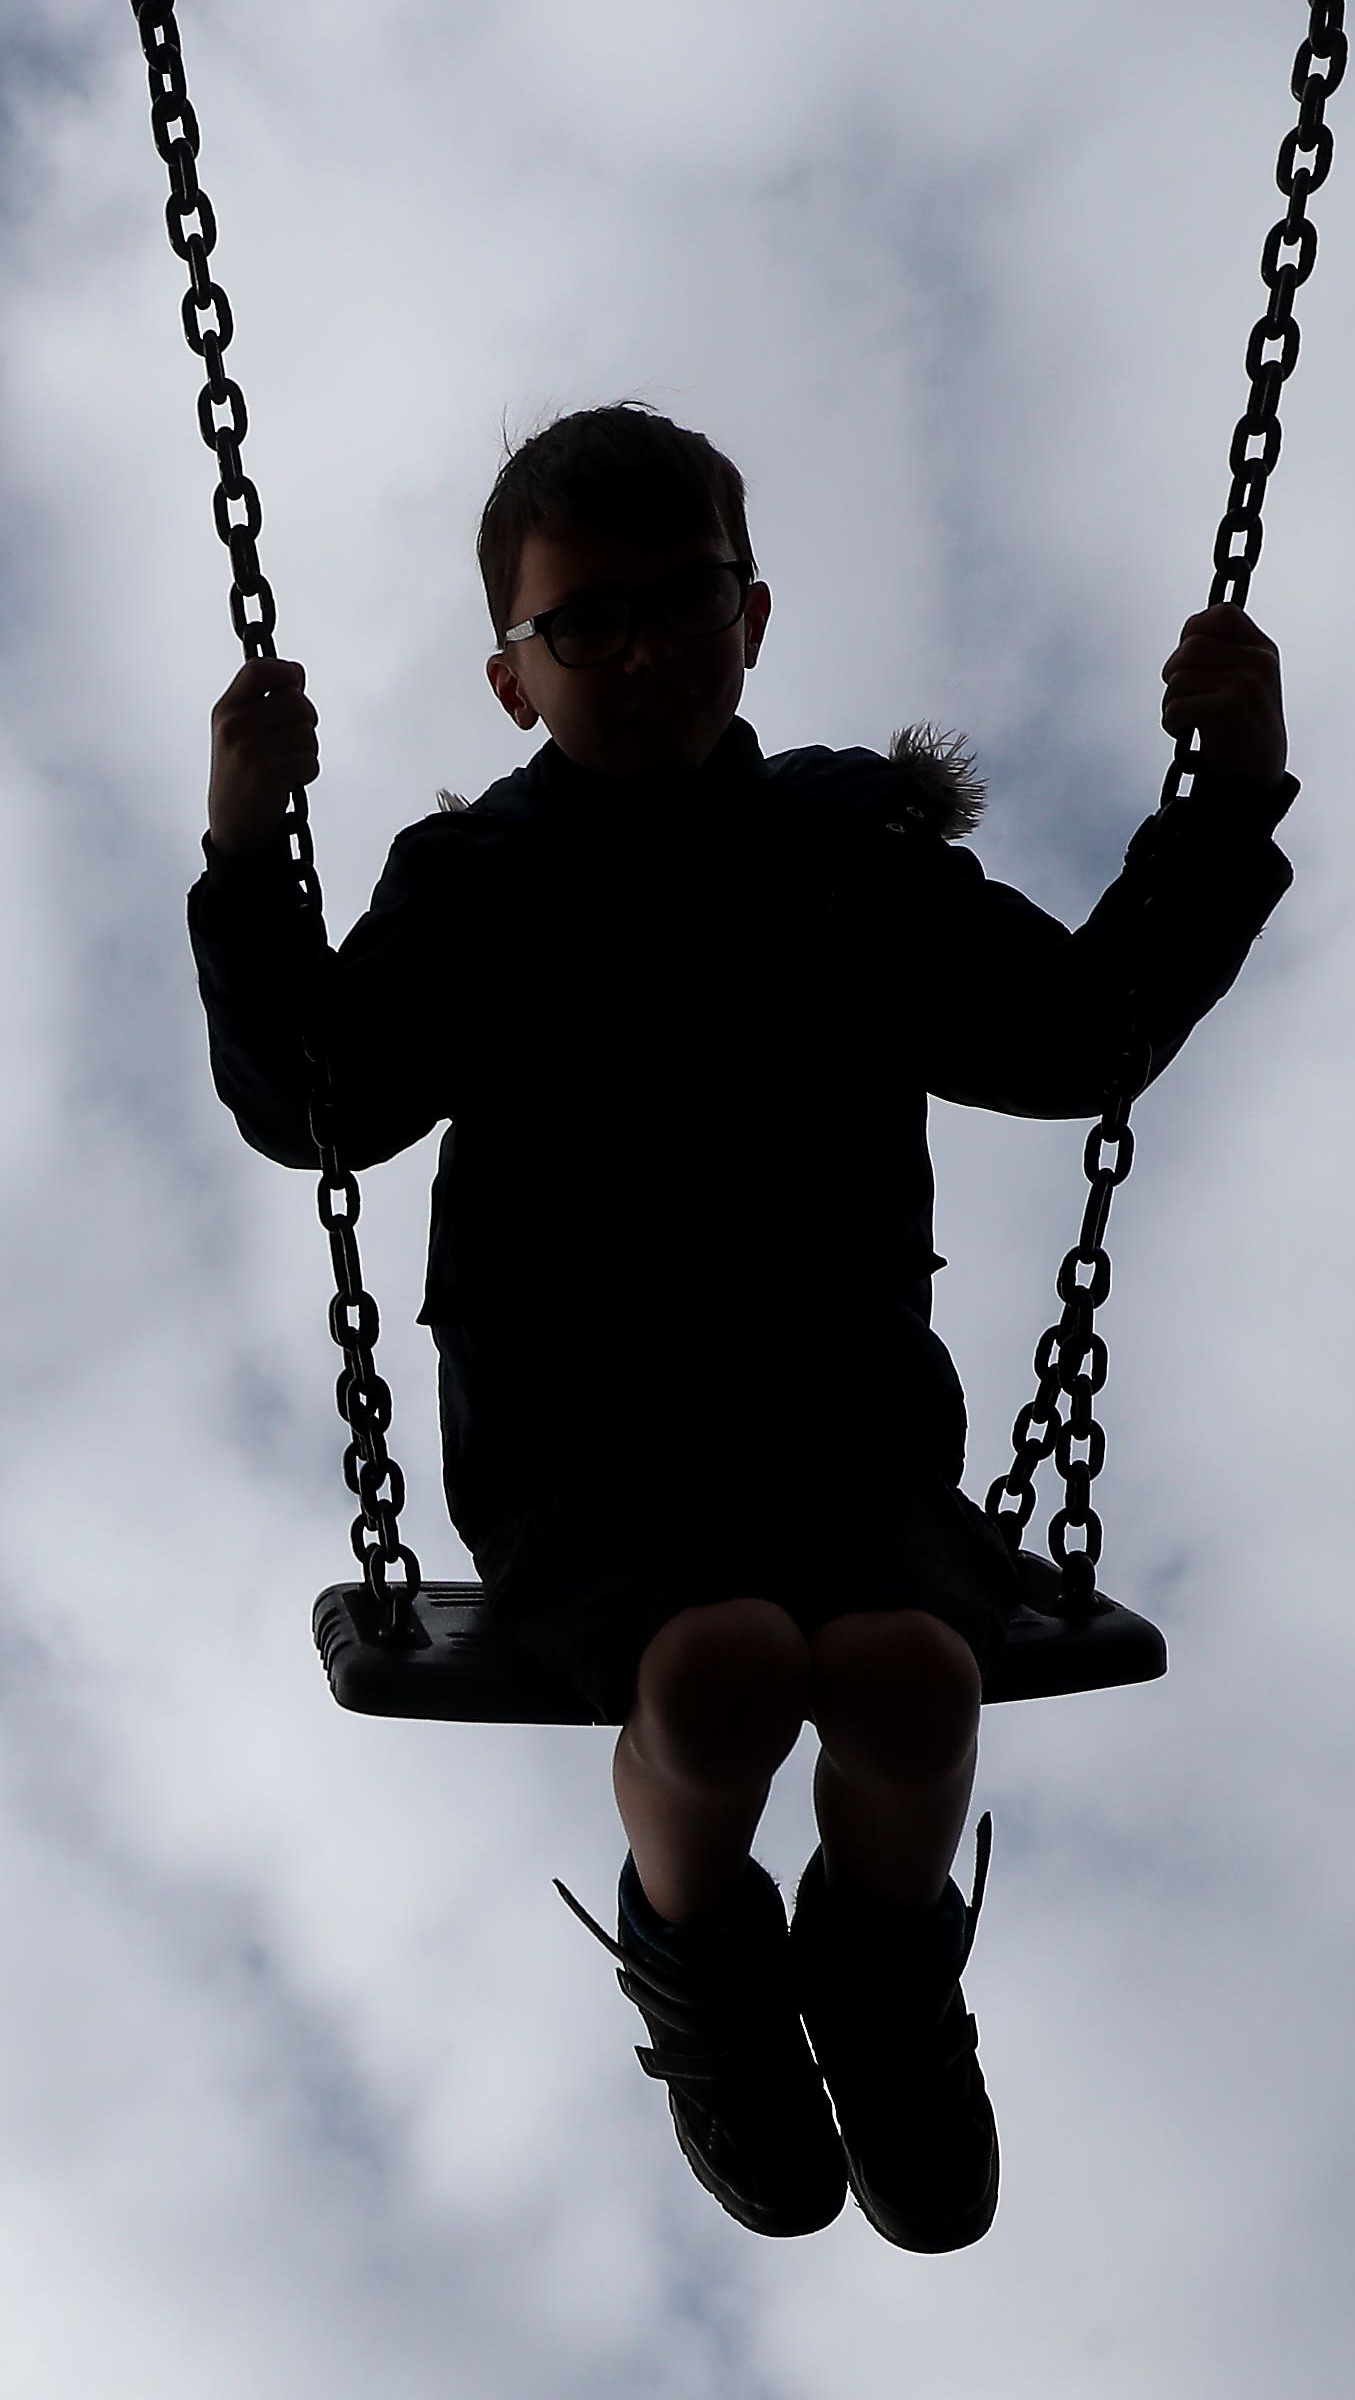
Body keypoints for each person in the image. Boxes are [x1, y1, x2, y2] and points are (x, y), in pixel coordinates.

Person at [188, 403, 1291, 2252]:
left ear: (754, 615)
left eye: (680, 604)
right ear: (510, 677)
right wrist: (245, 842)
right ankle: (702, 1969)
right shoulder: (476, 889)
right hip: (578, 1426)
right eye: (583, 625)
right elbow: (321, 1100)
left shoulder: (843, 856)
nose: (638, 651)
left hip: (835, 1406)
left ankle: (879, 1978)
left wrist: (1232, 793)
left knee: (913, 1678)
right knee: (712, 1674)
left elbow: (1079, 1031)